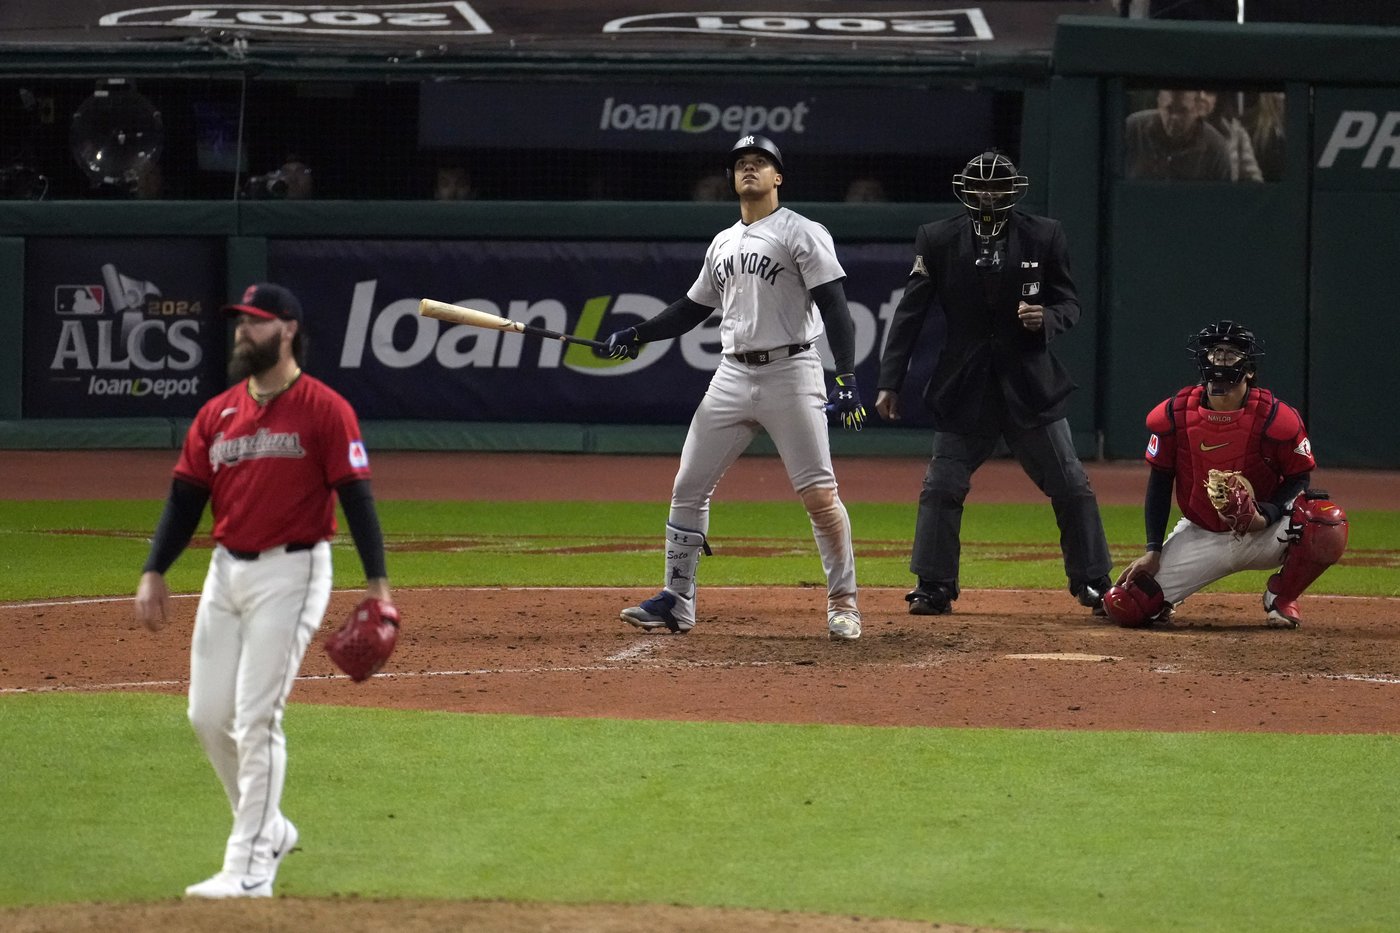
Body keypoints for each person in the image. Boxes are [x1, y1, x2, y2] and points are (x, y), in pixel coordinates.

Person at [134, 282, 393, 898]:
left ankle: (248, 869)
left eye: (255, 322)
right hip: (226, 572)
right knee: (207, 715)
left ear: (288, 329)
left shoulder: (326, 408)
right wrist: (154, 568)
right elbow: (184, 500)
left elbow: (357, 496)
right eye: (240, 322)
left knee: (256, 718)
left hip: (294, 572)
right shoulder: (217, 413)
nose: (243, 332)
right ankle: (270, 827)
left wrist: (379, 586)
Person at [598, 134, 868, 641]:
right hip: (731, 374)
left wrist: (846, 376)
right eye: (741, 164)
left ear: (778, 177)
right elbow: (691, 309)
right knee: (687, 487)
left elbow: (835, 305)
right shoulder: (723, 242)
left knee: (818, 495)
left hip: (791, 371)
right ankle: (676, 601)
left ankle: (843, 602)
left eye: (760, 163)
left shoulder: (801, 231)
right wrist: (637, 335)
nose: (749, 169)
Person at [875, 150, 1113, 617]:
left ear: (1011, 190)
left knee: (1072, 485)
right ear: (966, 189)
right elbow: (910, 314)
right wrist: (890, 381)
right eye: (980, 186)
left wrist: (1045, 317)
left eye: (997, 186)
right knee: (941, 486)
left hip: (1030, 385)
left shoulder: (1044, 234)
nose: (987, 194)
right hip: (964, 386)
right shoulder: (938, 238)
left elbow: (1070, 302)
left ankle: (1093, 582)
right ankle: (933, 585)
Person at [1103, 321, 1348, 629]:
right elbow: (1160, 481)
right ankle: (1165, 597)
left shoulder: (1277, 418)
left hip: (1264, 532)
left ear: (1248, 369)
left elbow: (1299, 477)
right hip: (1201, 532)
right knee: (1126, 605)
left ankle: (1282, 597)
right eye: (1214, 352)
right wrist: (1153, 551)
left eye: (1230, 354)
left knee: (1327, 521)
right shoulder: (1174, 414)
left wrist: (1267, 514)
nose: (1219, 359)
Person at [1124, 89, 1233, 181]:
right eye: (1169, 109)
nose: (1174, 117)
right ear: (1159, 104)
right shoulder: (1132, 129)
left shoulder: (1216, 148)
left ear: (1197, 110)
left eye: (1183, 111)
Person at [1197, 89, 1263, 182]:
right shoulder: (1176, 130)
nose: (1202, 97)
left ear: (1218, 98)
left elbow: (1253, 178)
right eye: (1196, 91)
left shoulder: (1236, 131)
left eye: (1209, 92)